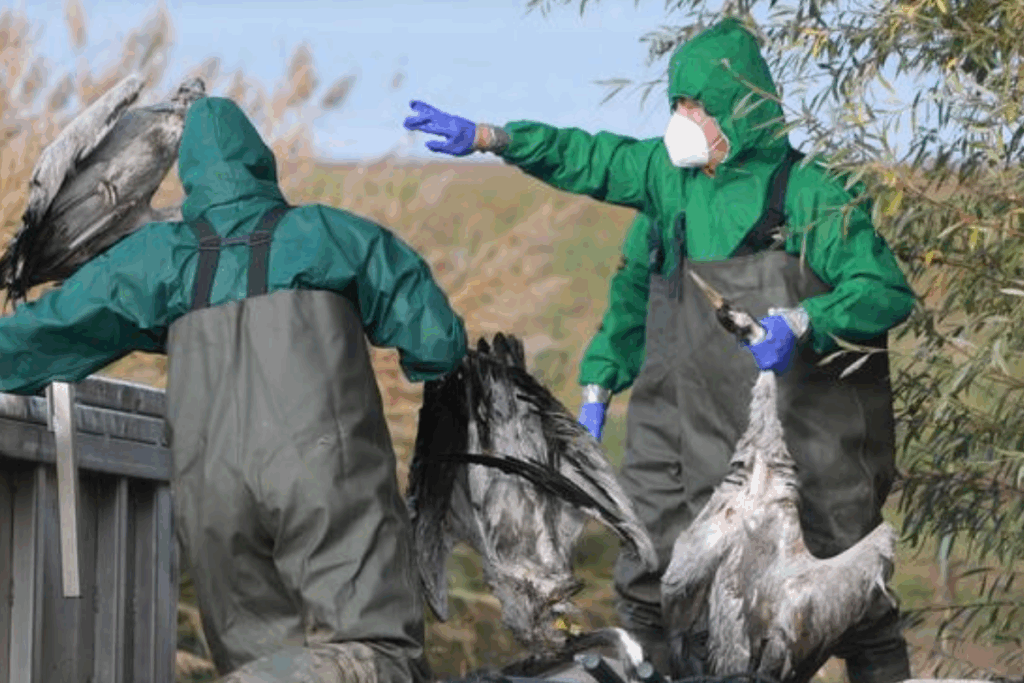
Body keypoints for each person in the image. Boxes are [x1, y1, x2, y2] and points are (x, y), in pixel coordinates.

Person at [402, 17, 916, 683]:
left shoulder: (814, 194)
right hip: (686, 430)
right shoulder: (669, 188)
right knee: (663, 581)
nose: (682, 120)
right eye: (676, 105)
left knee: (847, 590)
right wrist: (490, 137)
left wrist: (806, 319)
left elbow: (885, 291)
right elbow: (592, 163)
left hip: (806, 441)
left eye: (696, 107)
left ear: (741, 108)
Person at [0, 96, 468, 683]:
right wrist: (429, 366)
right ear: (261, 161)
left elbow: (42, 335)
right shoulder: (332, 234)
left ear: (189, 177)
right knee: (373, 649)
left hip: (211, 493)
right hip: (324, 474)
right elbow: (437, 340)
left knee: (257, 662)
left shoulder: (157, 259)